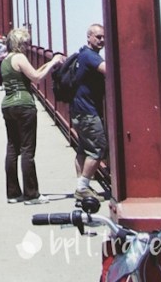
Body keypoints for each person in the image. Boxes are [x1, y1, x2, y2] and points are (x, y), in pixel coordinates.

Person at [0, 27, 64, 205]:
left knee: (12, 148)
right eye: (26, 43)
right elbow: (36, 77)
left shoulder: (5, 60)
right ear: (20, 43)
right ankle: (31, 194)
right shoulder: (20, 57)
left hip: (8, 105)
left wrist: (47, 64)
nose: (28, 46)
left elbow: (30, 73)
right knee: (28, 150)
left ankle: (13, 193)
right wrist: (53, 63)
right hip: (24, 106)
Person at [70, 23, 107, 203]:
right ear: (89, 37)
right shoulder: (90, 56)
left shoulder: (82, 54)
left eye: (103, 37)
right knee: (98, 149)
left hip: (78, 110)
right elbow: (109, 71)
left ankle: (82, 187)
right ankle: (83, 188)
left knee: (83, 149)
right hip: (88, 112)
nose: (102, 40)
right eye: (98, 37)